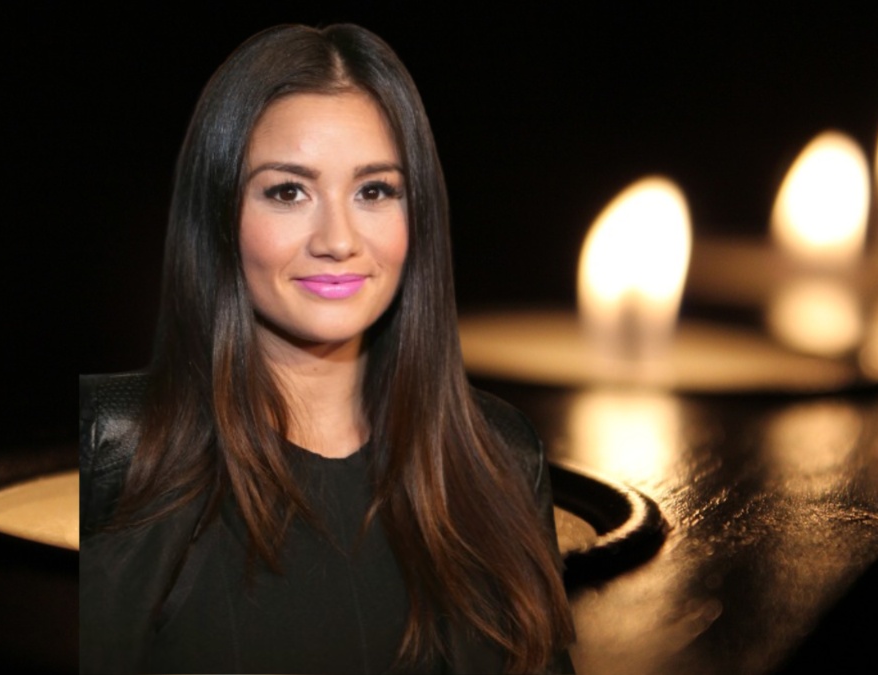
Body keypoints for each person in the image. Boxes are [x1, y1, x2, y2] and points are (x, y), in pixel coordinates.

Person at [80, 23, 575, 674]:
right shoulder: (111, 446)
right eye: (289, 191)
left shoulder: (501, 457)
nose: (338, 240)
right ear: (219, 214)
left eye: (374, 191)